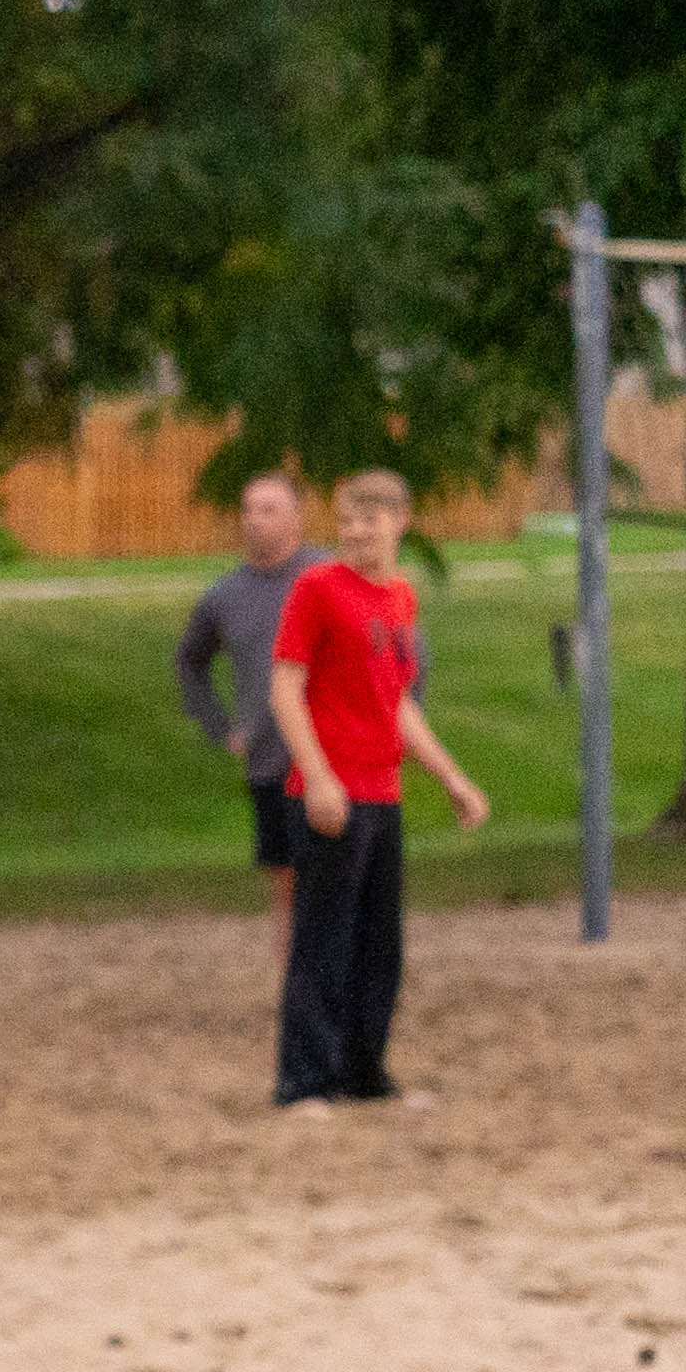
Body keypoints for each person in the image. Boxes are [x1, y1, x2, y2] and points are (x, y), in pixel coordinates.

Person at [266, 468, 487, 1111]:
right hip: (331, 793)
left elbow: (398, 705)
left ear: (400, 521)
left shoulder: (399, 599)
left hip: (382, 792)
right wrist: (318, 777)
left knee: (378, 943)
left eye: (369, 519)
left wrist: (451, 776)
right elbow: (285, 689)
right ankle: (304, 1081)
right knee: (322, 940)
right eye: (346, 521)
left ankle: (364, 1074)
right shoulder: (317, 588)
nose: (356, 532)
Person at [176, 469, 319, 939]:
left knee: (337, 880)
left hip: (332, 752)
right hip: (269, 759)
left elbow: (399, 648)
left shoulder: (328, 578)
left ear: (297, 517)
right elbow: (189, 662)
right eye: (248, 510)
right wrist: (221, 726)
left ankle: (346, 978)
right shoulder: (225, 597)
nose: (254, 519)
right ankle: (295, 981)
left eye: (269, 509)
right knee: (287, 883)